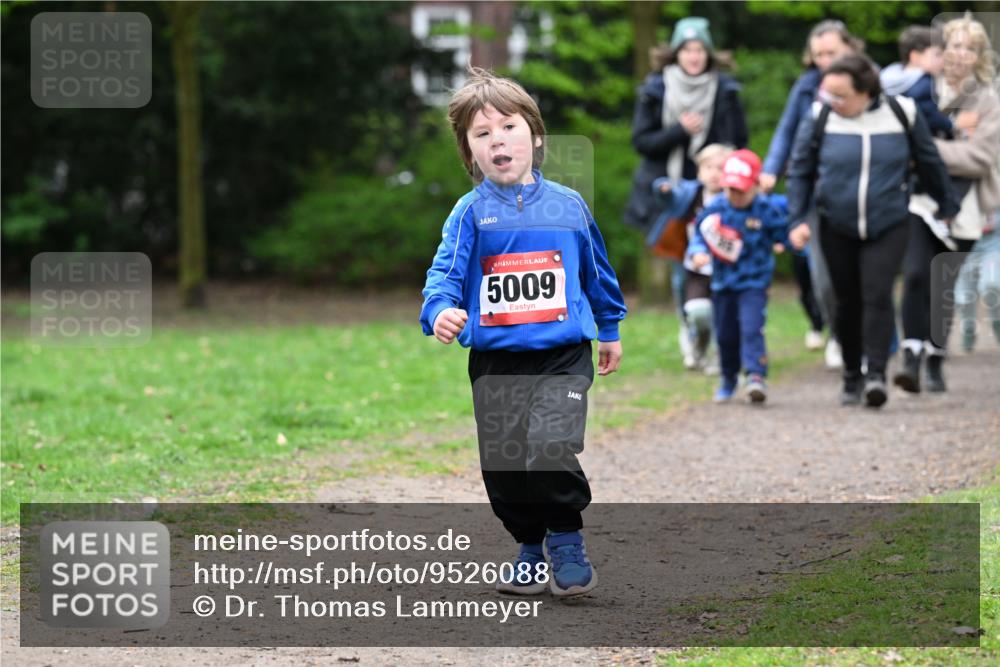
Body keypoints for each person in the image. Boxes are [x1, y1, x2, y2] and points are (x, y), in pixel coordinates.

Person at [420, 68, 627, 598]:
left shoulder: (569, 206)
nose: (498, 140)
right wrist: (439, 310)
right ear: (469, 152)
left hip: (562, 354)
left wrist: (609, 327)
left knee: (549, 446)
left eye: (508, 127)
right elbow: (445, 273)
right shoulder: (469, 213)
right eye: (482, 134)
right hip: (497, 362)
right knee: (505, 466)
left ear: (535, 136)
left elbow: (597, 273)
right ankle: (529, 547)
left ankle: (566, 539)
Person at [786, 53, 959, 409]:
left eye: (840, 95)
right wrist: (797, 219)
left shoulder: (902, 113)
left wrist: (947, 204)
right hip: (835, 224)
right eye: (828, 94)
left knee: (878, 294)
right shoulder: (820, 117)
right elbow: (800, 170)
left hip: (889, 222)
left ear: (865, 91)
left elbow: (928, 160)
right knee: (845, 300)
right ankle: (852, 374)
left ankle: (877, 374)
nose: (832, 102)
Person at [896, 14, 1000, 392]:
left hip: (967, 203)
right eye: (954, 46)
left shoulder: (988, 100)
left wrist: (928, 151)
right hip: (919, 198)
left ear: (980, 55)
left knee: (942, 284)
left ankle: (936, 358)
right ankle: (911, 356)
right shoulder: (921, 89)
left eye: (970, 48)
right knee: (915, 274)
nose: (961, 54)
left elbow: (981, 158)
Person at [760, 19, 864, 368]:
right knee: (824, 278)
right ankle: (839, 334)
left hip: (864, 192)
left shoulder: (871, 82)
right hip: (819, 194)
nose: (824, 61)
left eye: (831, 53)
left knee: (866, 274)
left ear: (849, 48)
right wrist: (771, 168)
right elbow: (786, 131)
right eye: (818, 55)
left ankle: (874, 339)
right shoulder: (807, 86)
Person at [686, 149, 789, 404]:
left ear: (755, 186)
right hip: (723, 284)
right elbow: (700, 235)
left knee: (751, 328)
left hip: (755, 283)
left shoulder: (766, 209)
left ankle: (755, 376)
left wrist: (791, 241)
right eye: (731, 189)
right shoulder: (716, 208)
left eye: (741, 190)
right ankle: (728, 378)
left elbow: (784, 232)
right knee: (725, 335)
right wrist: (698, 252)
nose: (735, 195)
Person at [648, 143, 733, 371]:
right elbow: (670, 196)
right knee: (685, 298)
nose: (714, 174)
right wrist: (662, 188)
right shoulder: (691, 192)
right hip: (688, 259)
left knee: (722, 308)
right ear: (699, 171)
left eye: (720, 168)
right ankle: (692, 339)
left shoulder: (733, 197)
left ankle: (720, 353)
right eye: (709, 168)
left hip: (723, 263)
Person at [881, 25, 971, 138]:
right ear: (915, 57)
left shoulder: (890, 76)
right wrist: (953, 127)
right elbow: (933, 118)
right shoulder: (923, 84)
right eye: (938, 54)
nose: (943, 60)